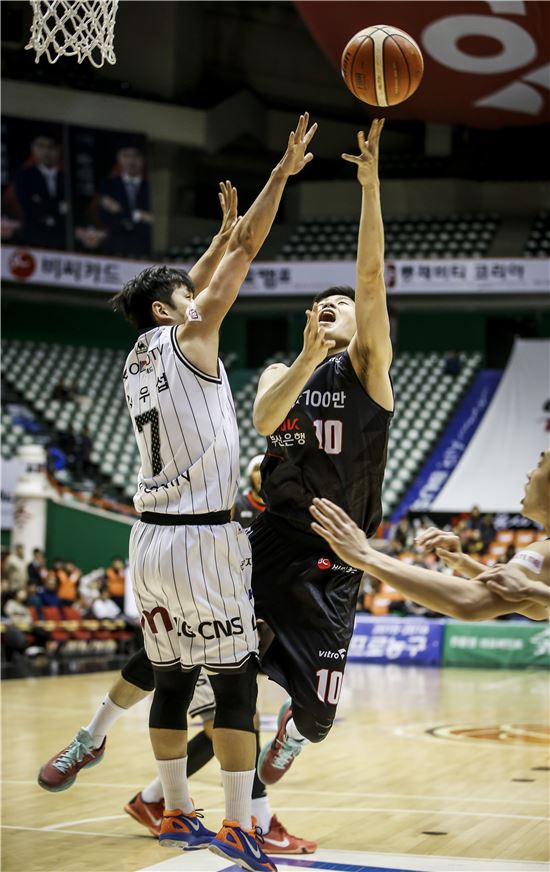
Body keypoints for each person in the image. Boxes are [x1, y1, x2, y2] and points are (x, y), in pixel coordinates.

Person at [38, 114, 316, 872]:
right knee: (233, 684)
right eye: (186, 294)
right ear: (172, 310)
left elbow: (187, 285)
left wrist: (219, 237)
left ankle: (173, 809)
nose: (200, 294)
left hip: (150, 538)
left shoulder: (140, 352)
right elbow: (235, 264)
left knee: (168, 677)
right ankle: (236, 826)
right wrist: (280, 175)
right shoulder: (191, 337)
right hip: (202, 537)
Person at [247, 118, 393, 786]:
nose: (333, 305)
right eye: (323, 302)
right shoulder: (285, 368)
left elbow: (370, 276)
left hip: (338, 556)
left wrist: (370, 186)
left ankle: (294, 733)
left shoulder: (368, 371)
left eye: (344, 303)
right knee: (225, 673)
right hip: (274, 537)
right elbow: (264, 421)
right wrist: (305, 358)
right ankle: (193, 795)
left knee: (319, 718)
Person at [38, 650, 316, 855]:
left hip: (207, 613)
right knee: (229, 719)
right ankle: (259, 824)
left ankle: (150, 798)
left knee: (232, 722)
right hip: (202, 616)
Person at [309, 451, 550, 622]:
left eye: (541, 464)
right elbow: (537, 608)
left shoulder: (543, 552)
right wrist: (462, 563)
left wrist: (366, 556)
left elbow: (471, 602)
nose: (530, 473)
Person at [98, 145, 152, 257]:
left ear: (143, 160)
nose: (131, 161)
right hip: (114, 247)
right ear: (119, 158)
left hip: (143, 249)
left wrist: (121, 211)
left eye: (136, 156)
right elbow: (104, 215)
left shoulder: (151, 188)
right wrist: (138, 215)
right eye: (126, 155)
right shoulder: (108, 184)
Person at [15, 134, 67, 249]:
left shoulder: (66, 178)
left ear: (59, 150)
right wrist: (57, 208)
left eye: (51, 147)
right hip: (32, 238)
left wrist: (43, 204)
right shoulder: (24, 176)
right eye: (41, 146)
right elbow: (27, 206)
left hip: (61, 240)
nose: (46, 151)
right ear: (33, 149)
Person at [233, 455, 265, 527]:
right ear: (250, 475)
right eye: (257, 469)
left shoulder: (281, 508)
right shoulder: (236, 504)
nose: (262, 473)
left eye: (266, 468)